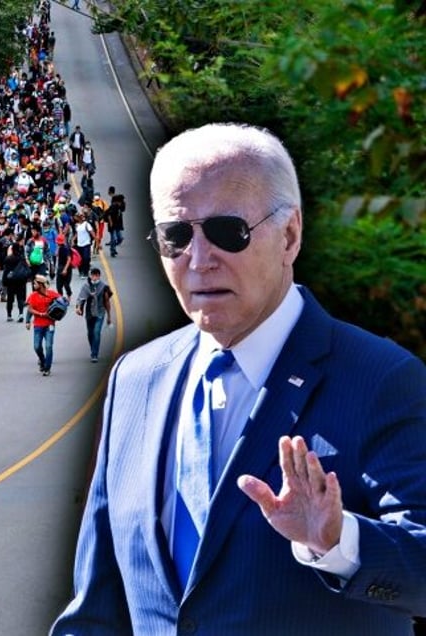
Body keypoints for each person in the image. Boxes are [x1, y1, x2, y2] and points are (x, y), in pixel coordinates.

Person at [51, 123, 426, 635]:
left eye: (229, 231)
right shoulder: (134, 379)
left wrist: (339, 542)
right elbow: (98, 603)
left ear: (290, 235)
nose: (200, 260)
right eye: (176, 236)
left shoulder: (382, 378)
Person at [74, 267, 113, 363]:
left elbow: (107, 302)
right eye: (93, 275)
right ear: (90, 276)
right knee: (90, 333)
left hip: (100, 312)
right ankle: (93, 348)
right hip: (89, 313)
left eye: (96, 275)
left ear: (99, 276)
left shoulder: (104, 287)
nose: (94, 277)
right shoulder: (86, 286)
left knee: (96, 332)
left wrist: (109, 316)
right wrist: (79, 308)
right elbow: (81, 298)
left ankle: (94, 354)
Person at [25, 274, 62, 376]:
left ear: (41, 284)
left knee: (49, 346)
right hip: (38, 325)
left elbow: (62, 302)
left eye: (35, 283)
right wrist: (28, 321)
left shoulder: (52, 294)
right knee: (37, 347)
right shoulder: (33, 296)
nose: (33, 285)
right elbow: (30, 309)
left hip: (50, 324)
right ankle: (42, 360)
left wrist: (58, 311)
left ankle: (47, 367)